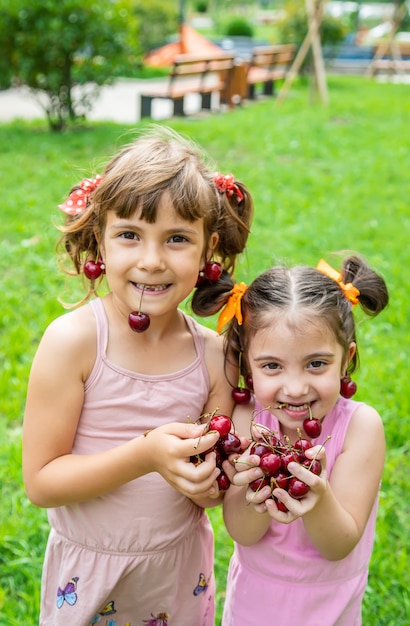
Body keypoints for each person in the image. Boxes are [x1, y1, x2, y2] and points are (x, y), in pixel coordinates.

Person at [22, 126, 253, 626]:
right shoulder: (75, 342)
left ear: (207, 249)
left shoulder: (214, 355)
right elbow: (41, 482)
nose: (151, 261)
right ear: (99, 238)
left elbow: (210, 487)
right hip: (91, 575)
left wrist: (208, 482)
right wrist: (146, 455)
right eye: (130, 235)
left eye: (176, 239)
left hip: (177, 575)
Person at [217, 255, 389, 625]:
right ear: (248, 366)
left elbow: (338, 545)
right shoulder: (249, 420)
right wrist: (254, 487)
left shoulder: (361, 427)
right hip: (254, 604)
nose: (295, 388)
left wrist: (319, 497)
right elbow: (243, 534)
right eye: (272, 366)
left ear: (346, 361)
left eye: (316, 364)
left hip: (329, 607)